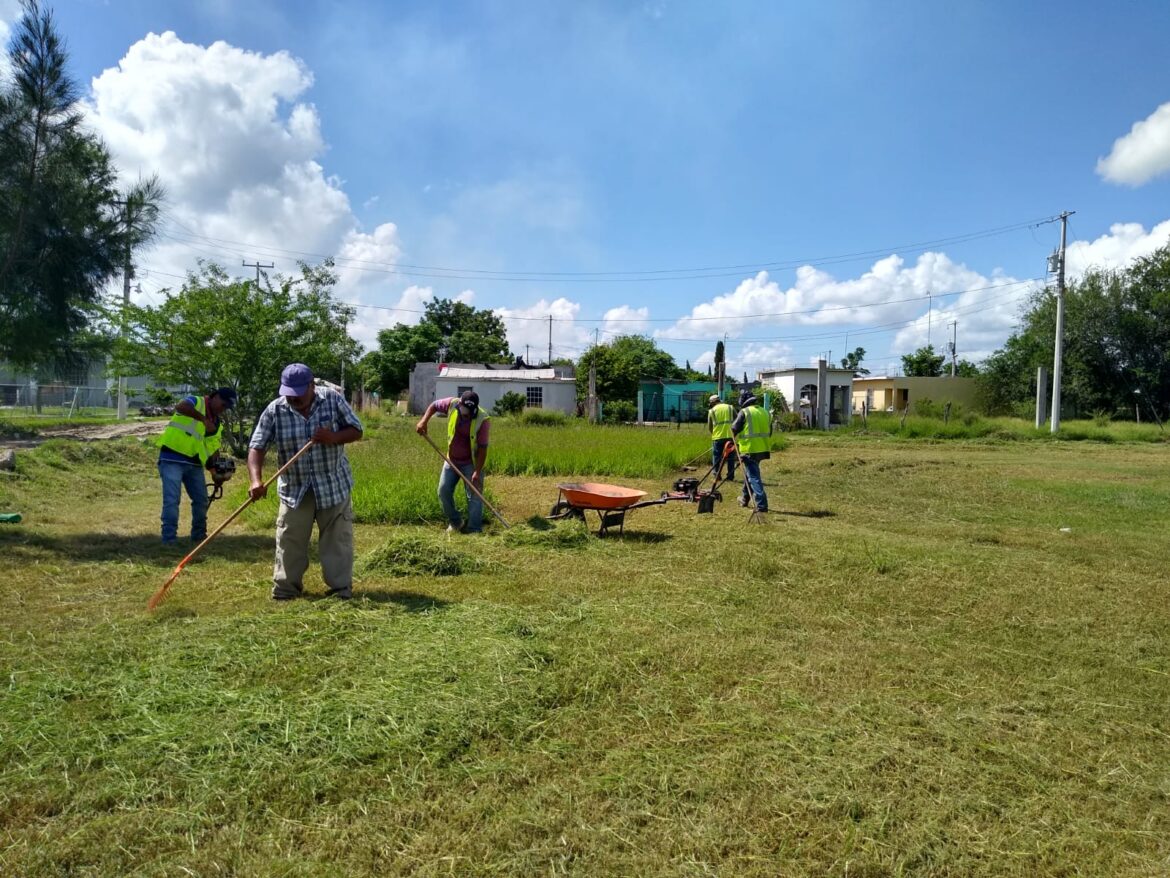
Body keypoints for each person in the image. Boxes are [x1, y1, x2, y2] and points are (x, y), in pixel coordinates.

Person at [247, 364, 363, 600]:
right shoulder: (275, 410)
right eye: (289, 393)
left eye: (299, 393)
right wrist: (256, 480)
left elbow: (356, 430)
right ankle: (285, 589)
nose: (294, 399)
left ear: (312, 385)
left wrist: (333, 437)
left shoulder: (332, 399)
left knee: (337, 540)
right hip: (294, 488)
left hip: (332, 484)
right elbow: (257, 446)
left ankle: (340, 589)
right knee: (289, 539)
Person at [156, 386, 237, 544]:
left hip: (194, 463)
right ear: (215, 396)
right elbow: (180, 406)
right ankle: (169, 539)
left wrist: (216, 471)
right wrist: (203, 419)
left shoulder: (216, 423)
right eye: (223, 404)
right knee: (172, 500)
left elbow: (212, 448)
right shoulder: (195, 401)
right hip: (172, 457)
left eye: (227, 407)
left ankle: (199, 536)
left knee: (201, 500)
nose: (224, 409)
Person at [415, 390, 490, 533]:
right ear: (460, 404)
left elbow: (482, 448)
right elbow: (434, 405)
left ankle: (474, 529)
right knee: (443, 491)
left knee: (474, 495)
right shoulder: (452, 404)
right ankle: (456, 522)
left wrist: (477, 472)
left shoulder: (483, 420)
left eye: (470, 411)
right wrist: (423, 421)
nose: (467, 413)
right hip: (452, 459)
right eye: (465, 410)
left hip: (471, 463)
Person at [731, 388, 771, 512]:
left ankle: (761, 504)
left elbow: (734, 429)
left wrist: (731, 441)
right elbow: (769, 432)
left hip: (749, 449)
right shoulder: (765, 412)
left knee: (753, 476)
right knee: (750, 473)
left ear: (743, 401)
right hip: (762, 448)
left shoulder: (745, 412)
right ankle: (744, 498)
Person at [707, 394, 737, 482]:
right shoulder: (730, 407)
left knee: (717, 457)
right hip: (730, 436)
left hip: (717, 437)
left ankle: (717, 474)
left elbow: (710, 427)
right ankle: (730, 476)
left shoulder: (711, 411)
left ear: (712, 402)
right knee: (731, 457)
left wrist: (714, 434)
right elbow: (738, 420)